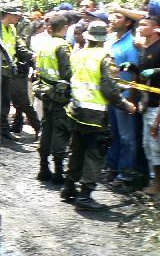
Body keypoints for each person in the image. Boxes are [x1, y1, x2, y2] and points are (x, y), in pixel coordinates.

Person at [63, 21, 137, 210]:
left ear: (88, 37)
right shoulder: (105, 57)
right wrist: (124, 104)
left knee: (77, 150)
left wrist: (118, 86)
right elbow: (107, 88)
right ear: (104, 39)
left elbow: (86, 79)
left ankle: (69, 188)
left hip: (76, 110)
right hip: (95, 115)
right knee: (95, 153)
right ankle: (85, 197)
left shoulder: (78, 54)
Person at [34, 13, 72, 183]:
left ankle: (43, 167)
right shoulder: (62, 46)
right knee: (60, 130)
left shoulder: (44, 45)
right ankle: (58, 172)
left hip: (45, 91)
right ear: (64, 28)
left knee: (46, 128)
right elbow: (67, 73)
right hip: (59, 95)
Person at [105, 11, 140, 187]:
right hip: (112, 95)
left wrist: (131, 101)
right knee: (114, 134)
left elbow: (134, 74)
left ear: (127, 23)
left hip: (125, 97)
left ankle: (125, 173)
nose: (112, 19)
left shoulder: (131, 44)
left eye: (117, 17)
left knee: (127, 137)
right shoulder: (111, 41)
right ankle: (112, 167)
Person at [0, 3, 40, 139]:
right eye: (15, 15)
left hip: (8, 70)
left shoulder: (12, 29)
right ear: (8, 15)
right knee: (5, 101)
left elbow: (19, 46)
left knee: (7, 102)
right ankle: (2, 130)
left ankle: (4, 131)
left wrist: (31, 55)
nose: (18, 17)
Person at [134, 16, 160, 196]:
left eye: (145, 24)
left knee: (156, 146)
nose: (140, 27)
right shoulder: (144, 48)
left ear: (156, 28)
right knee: (147, 145)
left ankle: (157, 186)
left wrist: (157, 71)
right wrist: (132, 69)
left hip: (157, 105)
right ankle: (153, 182)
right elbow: (143, 75)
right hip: (146, 103)